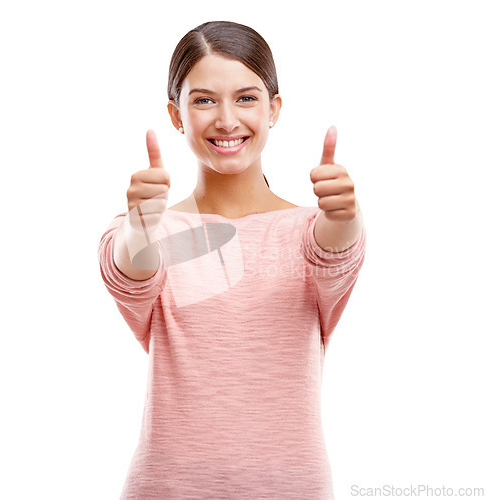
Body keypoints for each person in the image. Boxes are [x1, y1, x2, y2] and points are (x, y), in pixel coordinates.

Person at [98, 20, 366, 500]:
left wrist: (345, 215)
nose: (226, 120)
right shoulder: (155, 232)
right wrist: (138, 226)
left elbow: (332, 249)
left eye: (246, 98)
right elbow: (133, 269)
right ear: (176, 115)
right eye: (203, 100)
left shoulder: (307, 228)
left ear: (274, 108)